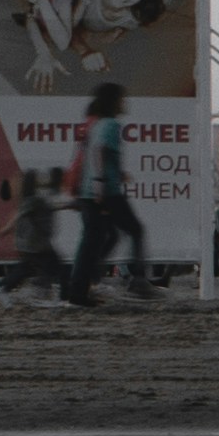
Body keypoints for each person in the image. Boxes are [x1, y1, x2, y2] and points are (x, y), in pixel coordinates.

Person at [68, 83, 148, 305]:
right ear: (114, 101)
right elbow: (99, 151)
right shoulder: (111, 124)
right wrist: (101, 183)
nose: (125, 102)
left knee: (96, 239)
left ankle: (80, 289)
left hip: (92, 191)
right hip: (105, 191)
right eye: (122, 99)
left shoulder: (97, 123)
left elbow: (95, 153)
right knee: (134, 230)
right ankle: (137, 280)